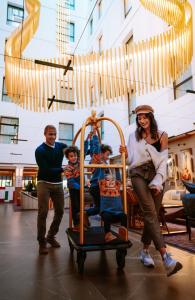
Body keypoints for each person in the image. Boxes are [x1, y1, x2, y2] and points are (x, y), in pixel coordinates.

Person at [120, 105, 182, 276]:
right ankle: (166, 257)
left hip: (157, 174)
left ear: (151, 117)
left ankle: (145, 251)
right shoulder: (133, 136)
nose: (142, 121)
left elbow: (163, 161)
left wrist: (157, 181)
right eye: (139, 118)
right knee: (149, 211)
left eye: (145, 117)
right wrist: (124, 154)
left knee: (152, 213)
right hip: (138, 173)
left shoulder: (162, 135)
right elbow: (130, 161)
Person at [35, 125, 67, 255]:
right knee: (43, 212)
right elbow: (45, 170)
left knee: (60, 211)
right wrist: (62, 169)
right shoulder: (40, 150)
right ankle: (42, 241)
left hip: (58, 183)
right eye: (50, 134)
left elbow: (75, 151)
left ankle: (51, 236)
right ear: (45, 134)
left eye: (54, 134)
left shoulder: (60, 146)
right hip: (44, 183)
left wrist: (88, 141)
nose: (52, 137)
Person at [86, 128, 113, 218]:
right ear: (100, 154)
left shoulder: (105, 163)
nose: (108, 157)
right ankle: (85, 214)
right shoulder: (97, 160)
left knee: (102, 208)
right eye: (107, 154)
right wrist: (94, 136)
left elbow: (108, 176)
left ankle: (86, 214)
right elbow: (96, 147)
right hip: (96, 186)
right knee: (102, 208)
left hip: (101, 186)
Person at [64, 143, 89, 231]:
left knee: (82, 205)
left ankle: (83, 222)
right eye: (71, 156)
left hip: (80, 186)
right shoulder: (67, 168)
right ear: (68, 158)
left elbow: (84, 152)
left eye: (75, 155)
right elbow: (71, 181)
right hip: (73, 188)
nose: (73, 157)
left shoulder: (79, 162)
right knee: (76, 206)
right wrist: (80, 187)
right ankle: (77, 224)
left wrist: (86, 141)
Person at [99, 169, 128, 242]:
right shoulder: (103, 187)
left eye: (112, 180)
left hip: (117, 212)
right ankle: (108, 234)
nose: (110, 182)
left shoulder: (117, 186)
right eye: (107, 180)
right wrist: (101, 169)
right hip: (106, 212)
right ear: (105, 181)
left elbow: (119, 179)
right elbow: (101, 178)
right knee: (106, 216)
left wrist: (117, 170)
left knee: (124, 216)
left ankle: (123, 231)